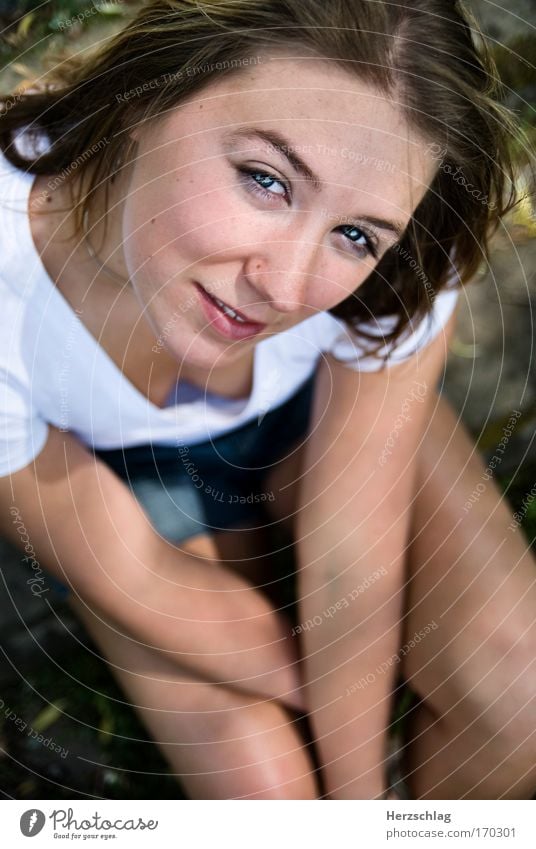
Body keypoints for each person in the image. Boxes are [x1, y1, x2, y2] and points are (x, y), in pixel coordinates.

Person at [0, 0, 534, 800]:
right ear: (145, 97)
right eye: (265, 179)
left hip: (327, 411)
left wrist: (359, 802)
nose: (283, 287)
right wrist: (334, 684)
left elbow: (355, 542)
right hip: (115, 473)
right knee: (268, 802)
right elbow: (137, 575)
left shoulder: (409, 249)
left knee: (519, 684)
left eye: (356, 234)